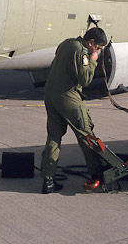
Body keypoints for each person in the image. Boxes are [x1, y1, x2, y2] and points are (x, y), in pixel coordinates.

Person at [40, 27, 108, 194]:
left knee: (54, 137)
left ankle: (48, 180)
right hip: (67, 97)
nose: (97, 51)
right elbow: (84, 80)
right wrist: (93, 60)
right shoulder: (81, 51)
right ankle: (98, 176)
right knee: (86, 135)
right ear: (90, 42)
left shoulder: (67, 43)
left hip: (51, 95)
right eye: (97, 48)